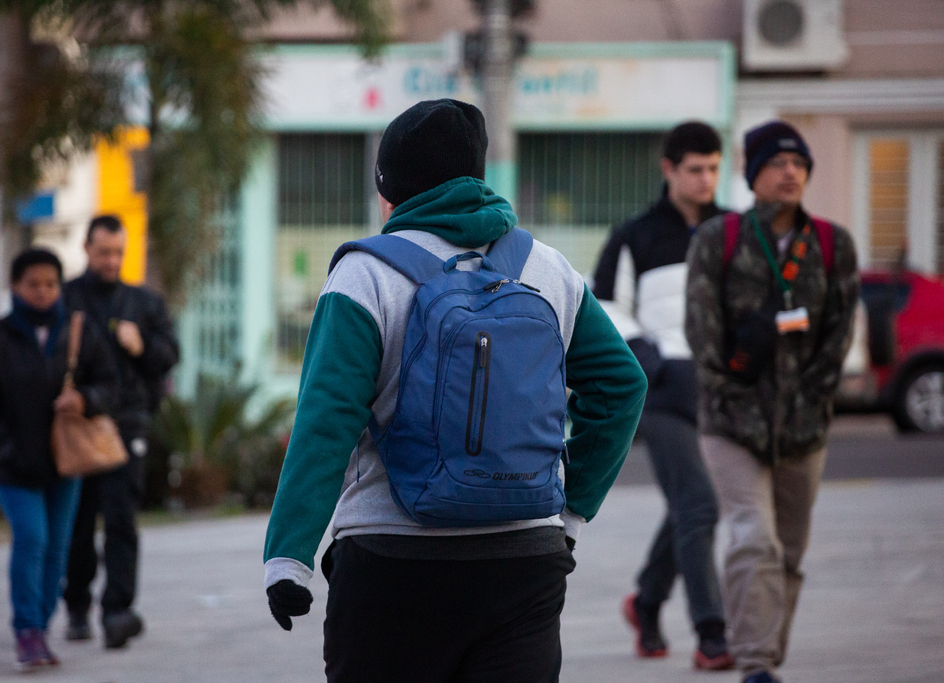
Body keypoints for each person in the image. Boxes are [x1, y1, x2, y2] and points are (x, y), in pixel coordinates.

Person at [262, 99, 648, 683]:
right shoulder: (549, 270)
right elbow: (622, 386)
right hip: (525, 562)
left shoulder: (365, 276)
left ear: (391, 190)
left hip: (392, 563)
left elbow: (327, 419)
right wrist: (569, 514)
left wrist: (288, 558)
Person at [685, 121, 859, 683]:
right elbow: (701, 332)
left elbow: (837, 337)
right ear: (753, 173)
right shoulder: (719, 238)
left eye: (800, 165)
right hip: (731, 423)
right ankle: (756, 662)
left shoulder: (832, 244)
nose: (791, 173)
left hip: (804, 427)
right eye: (779, 163)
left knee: (787, 549)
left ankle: (766, 653)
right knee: (751, 535)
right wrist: (732, 390)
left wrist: (810, 401)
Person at [591, 121, 732, 669]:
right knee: (699, 503)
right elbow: (604, 305)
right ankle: (712, 634)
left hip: (722, 391)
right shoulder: (634, 235)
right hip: (662, 393)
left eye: (713, 168)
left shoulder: (733, 231)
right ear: (669, 169)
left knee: (689, 509)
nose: (705, 179)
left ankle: (645, 603)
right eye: (695, 169)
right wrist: (648, 358)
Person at [0, 248, 117, 670]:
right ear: (16, 286)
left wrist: (86, 398)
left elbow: (110, 384)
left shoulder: (77, 331)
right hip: (14, 466)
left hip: (63, 462)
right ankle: (27, 630)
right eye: (33, 283)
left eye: (50, 283)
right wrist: (2, 448)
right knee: (32, 539)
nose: (42, 291)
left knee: (57, 546)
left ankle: (42, 625)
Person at [63, 215, 180, 648]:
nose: (112, 260)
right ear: (87, 248)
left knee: (120, 521)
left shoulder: (144, 303)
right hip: (79, 427)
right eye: (103, 251)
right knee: (76, 521)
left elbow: (170, 354)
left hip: (128, 424)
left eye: (118, 252)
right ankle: (76, 605)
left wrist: (142, 345)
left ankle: (117, 611)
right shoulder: (67, 297)